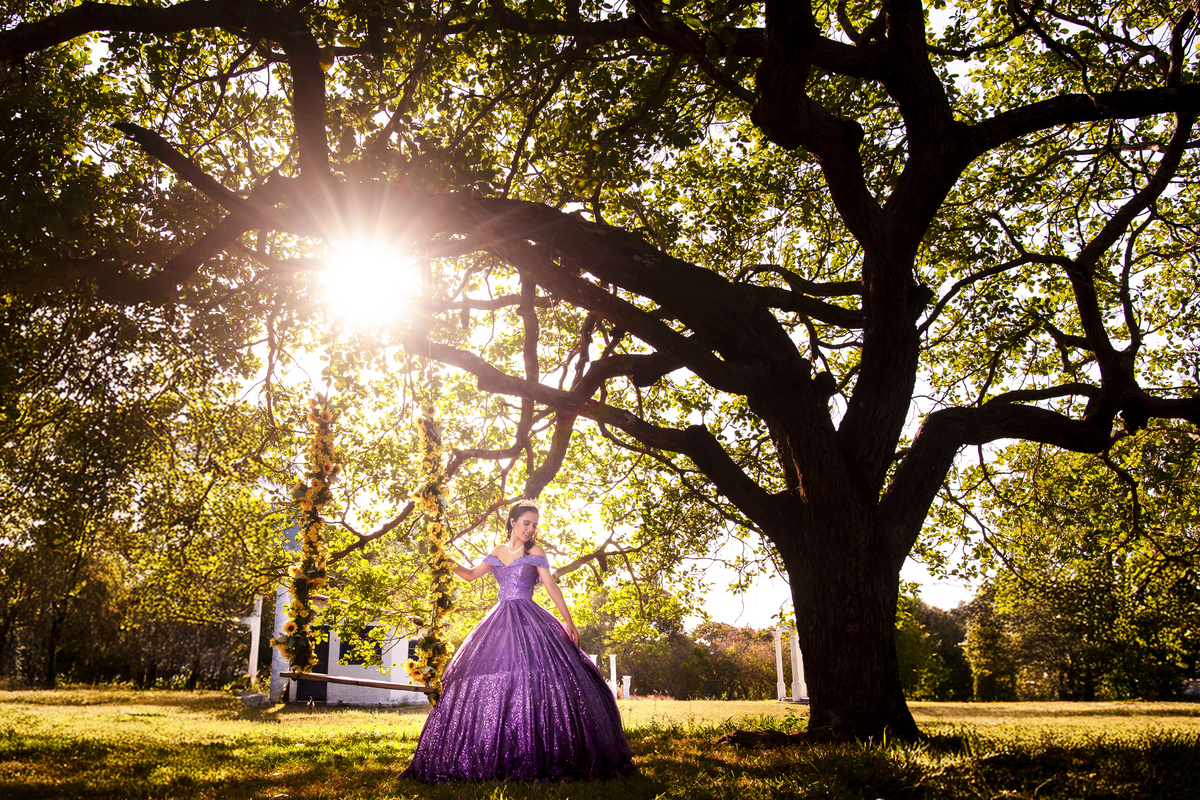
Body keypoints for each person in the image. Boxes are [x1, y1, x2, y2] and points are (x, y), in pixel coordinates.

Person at [400, 499, 636, 783]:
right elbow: (471, 575)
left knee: (539, 675)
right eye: (526, 523)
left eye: (534, 525)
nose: (530, 529)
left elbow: (550, 585)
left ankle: (541, 745)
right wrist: (445, 560)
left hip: (529, 619)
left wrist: (568, 621)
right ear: (513, 522)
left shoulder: (535, 551)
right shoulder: (497, 552)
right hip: (500, 620)